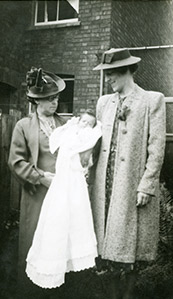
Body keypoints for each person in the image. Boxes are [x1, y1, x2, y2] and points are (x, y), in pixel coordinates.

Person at [90, 48, 166, 299]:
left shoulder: (151, 101)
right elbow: (96, 142)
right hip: (106, 182)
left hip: (132, 183)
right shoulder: (104, 102)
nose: (108, 79)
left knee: (130, 244)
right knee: (106, 240)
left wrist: (147, 184)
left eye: (111, 74)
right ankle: (111, 293)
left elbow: (156, 148)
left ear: (125, 72)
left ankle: (129, 294)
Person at [25, 110, 102, 289]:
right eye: (83, 121)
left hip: (73, 181)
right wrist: (40, 176)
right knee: (54, 222)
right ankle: (49, 267)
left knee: (74, 219)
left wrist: (93, 129)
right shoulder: (66, 128)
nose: (85, 125)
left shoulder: (84, 134)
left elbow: (90, 143)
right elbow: (55, 143)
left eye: (89, 124)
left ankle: (71, 265)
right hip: (52, 183)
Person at [8, 67, 66, 298]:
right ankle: (30, 291)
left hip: (61, 196)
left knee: (58, 243)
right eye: (50, 99)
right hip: (37, 196)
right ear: (37, 101)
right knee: (34, 243)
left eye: (56, 98)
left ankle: (57, 288)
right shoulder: (24, 126)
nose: (55, 102)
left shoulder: (64, 124)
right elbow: (16, 161)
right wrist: (41, 177)